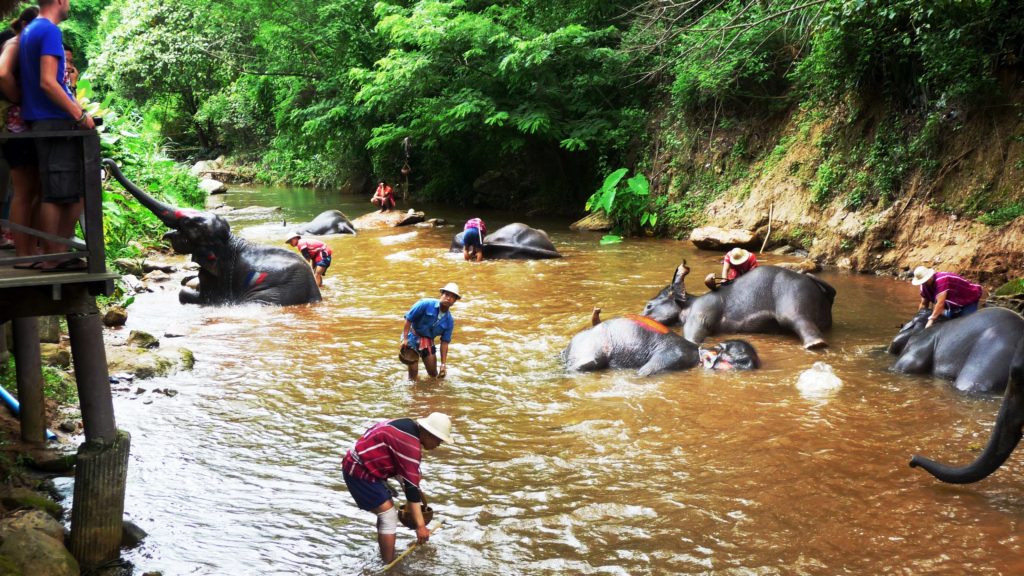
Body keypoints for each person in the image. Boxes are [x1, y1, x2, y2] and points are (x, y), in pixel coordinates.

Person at [19, 0, 94, 272]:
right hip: (53, 122)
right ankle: (54, 256)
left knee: (71, 192)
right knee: (56, 193)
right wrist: (79, 115)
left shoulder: (31, 30)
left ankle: (58, 251)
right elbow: (48, 82)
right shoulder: (49, 31)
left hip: (44, 121)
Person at [342, 412, 453, 564]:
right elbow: (411, 490)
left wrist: (412, 485)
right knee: (388, 515)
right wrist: (420, 527)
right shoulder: (410, 445)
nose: (439, 444)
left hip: (365, 462)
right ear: (429, 434)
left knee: (413, 479)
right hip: (358, 468)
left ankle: (385, 550)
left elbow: (410, 478)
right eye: (439, 440)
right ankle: (388, 565)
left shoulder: (407, 425)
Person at [0, 6, 42, 266]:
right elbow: (3, 73)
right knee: (24, 190)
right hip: (15, 124)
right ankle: (24, 254)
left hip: (20, 123)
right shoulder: (15, 42)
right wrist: (18, 98)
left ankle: (29, 249)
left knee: (30, 189)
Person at [400, 283, 459, 380]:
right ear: (441, 295)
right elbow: (408, 319)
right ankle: (413, 391)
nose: (448, 298)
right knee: (413, 372)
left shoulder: (449, 321)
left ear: (454, 301)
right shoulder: (424, 304)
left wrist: (443, 364)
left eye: (452, 297)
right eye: (446, 295)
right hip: (412, 335)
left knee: (433, 373)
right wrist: (405, 339)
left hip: (428, 340)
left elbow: (444, 342)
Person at [911, 266, 983, 328]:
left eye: (925, 281)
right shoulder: (924, 286)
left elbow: (940, 304)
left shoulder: (941, 280)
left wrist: (930, 321)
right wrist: (919, 319)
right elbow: (924, 304)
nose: (924, 283)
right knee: (947, 326)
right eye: (922, 282)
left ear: (930, 276)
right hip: (952, 304)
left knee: (966, 327)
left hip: (968, 299)